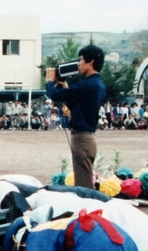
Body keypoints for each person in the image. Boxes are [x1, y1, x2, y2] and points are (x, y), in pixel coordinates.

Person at [45, 45, 106, 190]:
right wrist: (66, 88)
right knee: (84, 182)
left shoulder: (88, 84)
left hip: (82, 139)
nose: (78, 64)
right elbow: (76, 107)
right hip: (86, 138)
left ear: (91, 61)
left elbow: (55, 95)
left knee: (83, 187)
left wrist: (49, 81)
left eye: (81, 60)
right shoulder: (97, 84)